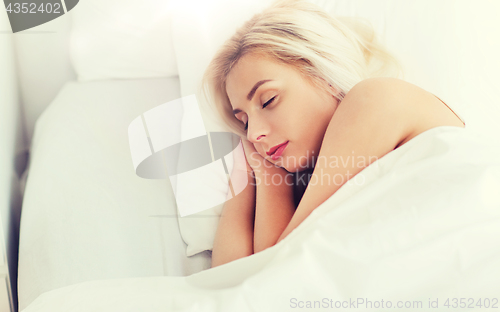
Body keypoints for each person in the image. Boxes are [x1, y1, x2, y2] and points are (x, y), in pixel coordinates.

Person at [202, 0, 465, 268]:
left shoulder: (376, 97)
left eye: (268, 100)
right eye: (244, 122)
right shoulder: (308, 181)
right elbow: (225, 278)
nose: (254, 134)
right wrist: (248, 172)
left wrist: (271, 179)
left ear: (322, 74)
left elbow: (277, 271)